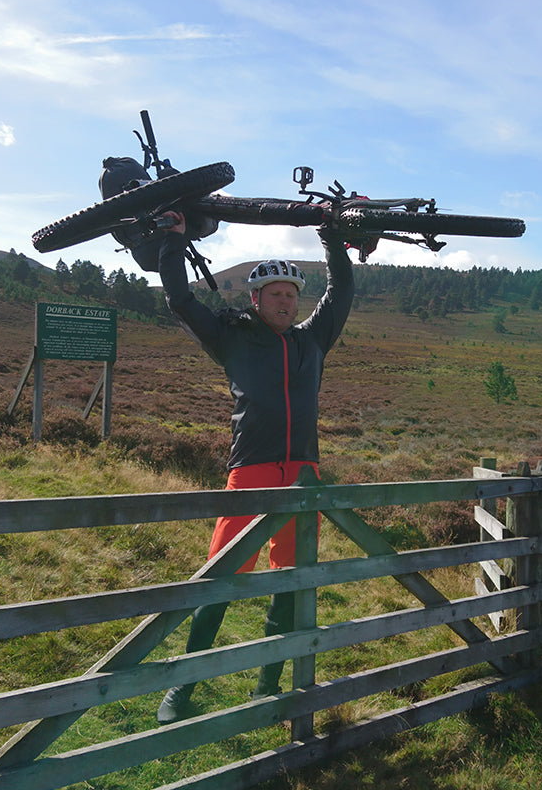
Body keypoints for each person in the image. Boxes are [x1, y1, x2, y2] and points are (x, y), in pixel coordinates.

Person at [150, 211, 354, 724]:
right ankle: (183, 688)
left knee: (289, 576)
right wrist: (174, 240)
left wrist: (333, 238)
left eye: (291, 295)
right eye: (274, 294)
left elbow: (341, 293)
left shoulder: (312, 340)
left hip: (303, 474)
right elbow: (180, 300)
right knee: (222, 575)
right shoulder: (231, 337)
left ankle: (266, 683)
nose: (285, 301)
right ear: (255, 299)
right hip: (252, 471)